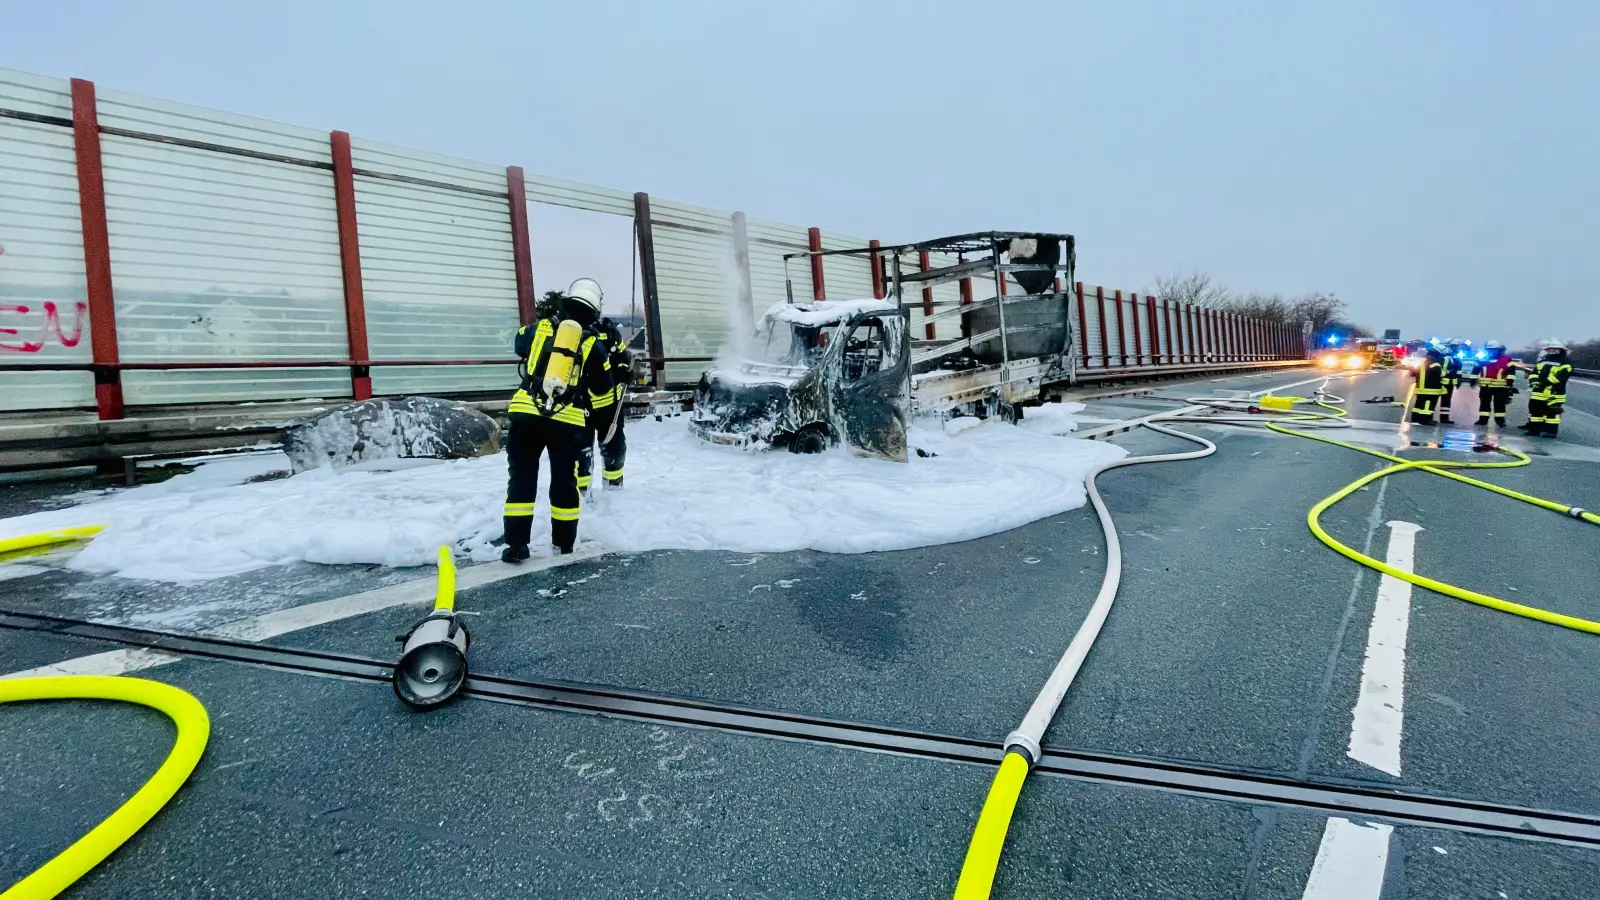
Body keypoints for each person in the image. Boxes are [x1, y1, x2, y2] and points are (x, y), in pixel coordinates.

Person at [501, 278, 616, 561]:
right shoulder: (592, 343)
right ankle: (563, 544)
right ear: (594, 310)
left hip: (526, 413)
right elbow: (603, 394)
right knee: (564, 481)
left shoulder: (538, 328)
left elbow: (518, 343)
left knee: (522, 477)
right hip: (566, 422)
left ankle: (517, 545)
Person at [575, 316, 630, 494]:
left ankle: (613, 487)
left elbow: (623, 355)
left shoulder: (610, 332)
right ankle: (581, 491)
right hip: (581, 403)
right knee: (580, 449)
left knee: (614, 446)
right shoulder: (573, 332)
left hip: (609, 403)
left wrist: (623, 368)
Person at [1518, 339, 1573, 438]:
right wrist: (1534, 382)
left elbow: (1561, 376)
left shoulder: (1566, 362)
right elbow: (1534, 373)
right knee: (1535, 412)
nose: (1551, 350)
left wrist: (1543, 383)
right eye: (1549, 349)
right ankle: (1534, 431)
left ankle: (1551, 432)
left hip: (1554, 393)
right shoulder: (1543, 361)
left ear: (1561, 349)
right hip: (1538, 392)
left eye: (1554, 348)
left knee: (1552, 414)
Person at [1473, 340, 1514, 428]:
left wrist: (1509, 385)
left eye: (1493, 349)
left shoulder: (1506, 359)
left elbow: (1511, 372)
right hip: (1485, 386)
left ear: (1499, 350)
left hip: (1500, 386)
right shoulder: (1483, 358)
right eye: (1489, 349)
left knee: (1499, 405)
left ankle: (1500, 421)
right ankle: (1483, 420)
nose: (1491, 351)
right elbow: (1475, 369)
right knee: (1484, 404)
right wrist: (1472, 380)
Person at [1410, 340, 1447, 425]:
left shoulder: (1422, 360)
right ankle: (1426, 420)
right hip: (1431, 388)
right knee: (1428, 404)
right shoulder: (1435, 363)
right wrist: (1446, 371)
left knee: (1419, 404)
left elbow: (1413, 373)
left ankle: (1415, 418)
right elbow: (1440, 374)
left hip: (1420, 387)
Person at [1438, 338, 1466, 424]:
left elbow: (1458, 371)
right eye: (1455, 347)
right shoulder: (1445, 358)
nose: (1457, 349)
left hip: (1450, 383)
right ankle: (1441, 418)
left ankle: (1444, 418)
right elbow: (1443, 370)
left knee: (1446, 401)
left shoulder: (1455, 358)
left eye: (1457, 347)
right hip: (1443, 383)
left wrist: (1459, 379)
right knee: (1438, 400)